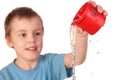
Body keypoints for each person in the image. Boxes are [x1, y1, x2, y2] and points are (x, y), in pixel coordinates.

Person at [0, 1, 107, 80]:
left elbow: (77, 58)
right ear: (9, 40)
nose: (31, 39)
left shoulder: (50, 63)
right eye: (23, 35)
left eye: (37, 33)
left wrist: (81, 33)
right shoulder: (4, 76)